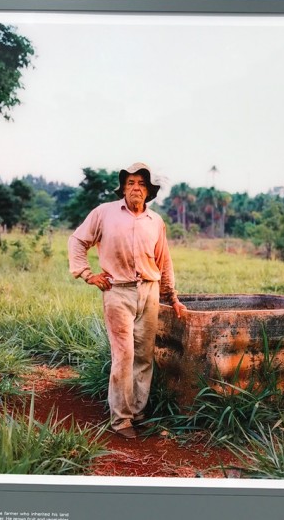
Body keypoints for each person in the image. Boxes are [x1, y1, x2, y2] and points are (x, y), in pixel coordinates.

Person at [68, 162, 186, 439]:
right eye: (131, 183)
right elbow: (77, 241)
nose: (135, 188)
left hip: (150, 291)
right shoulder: (104, 213)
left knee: (144, 356)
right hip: (117, 291)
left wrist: (173, 296)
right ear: (123, 187)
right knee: (124, 356)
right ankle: (121, 420)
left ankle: (138, 412)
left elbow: (164, 260)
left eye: (141, 184)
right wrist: (87, 274)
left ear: (149, 191)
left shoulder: (155, 222)